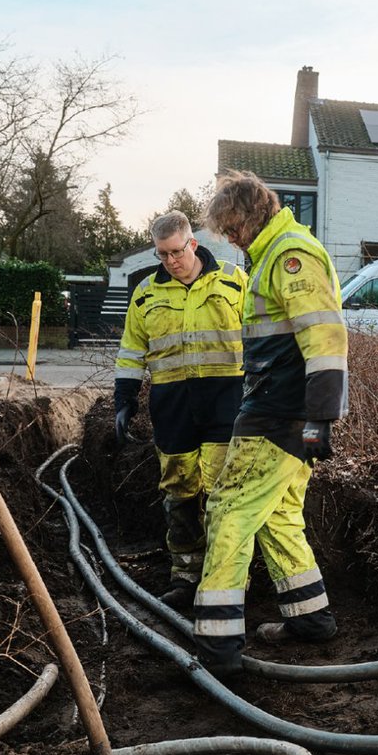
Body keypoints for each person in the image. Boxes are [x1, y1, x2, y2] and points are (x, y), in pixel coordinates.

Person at [195, 169, 348, 671]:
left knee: (229, 511)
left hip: (278, 414)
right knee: (279, 517)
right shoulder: (274, 253)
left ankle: (217, 645)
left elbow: (324, 338)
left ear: (248, 216)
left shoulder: (288, 256)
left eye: (232, 229)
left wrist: (319, 418)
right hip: (282, 411)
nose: (232, 240)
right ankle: (311, 619)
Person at [114, 210, 248, 611]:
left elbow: (262, 339)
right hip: (172, 408)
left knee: (223, 494)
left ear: (192, 242)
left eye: (175, 251)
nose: (170, 261)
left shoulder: (234, 282)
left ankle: (227, 581)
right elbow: (131, 352)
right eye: (161, 255)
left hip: (226, 403)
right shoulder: (145, 295)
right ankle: (186, 577)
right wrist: (123, 401)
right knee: (179, 492)